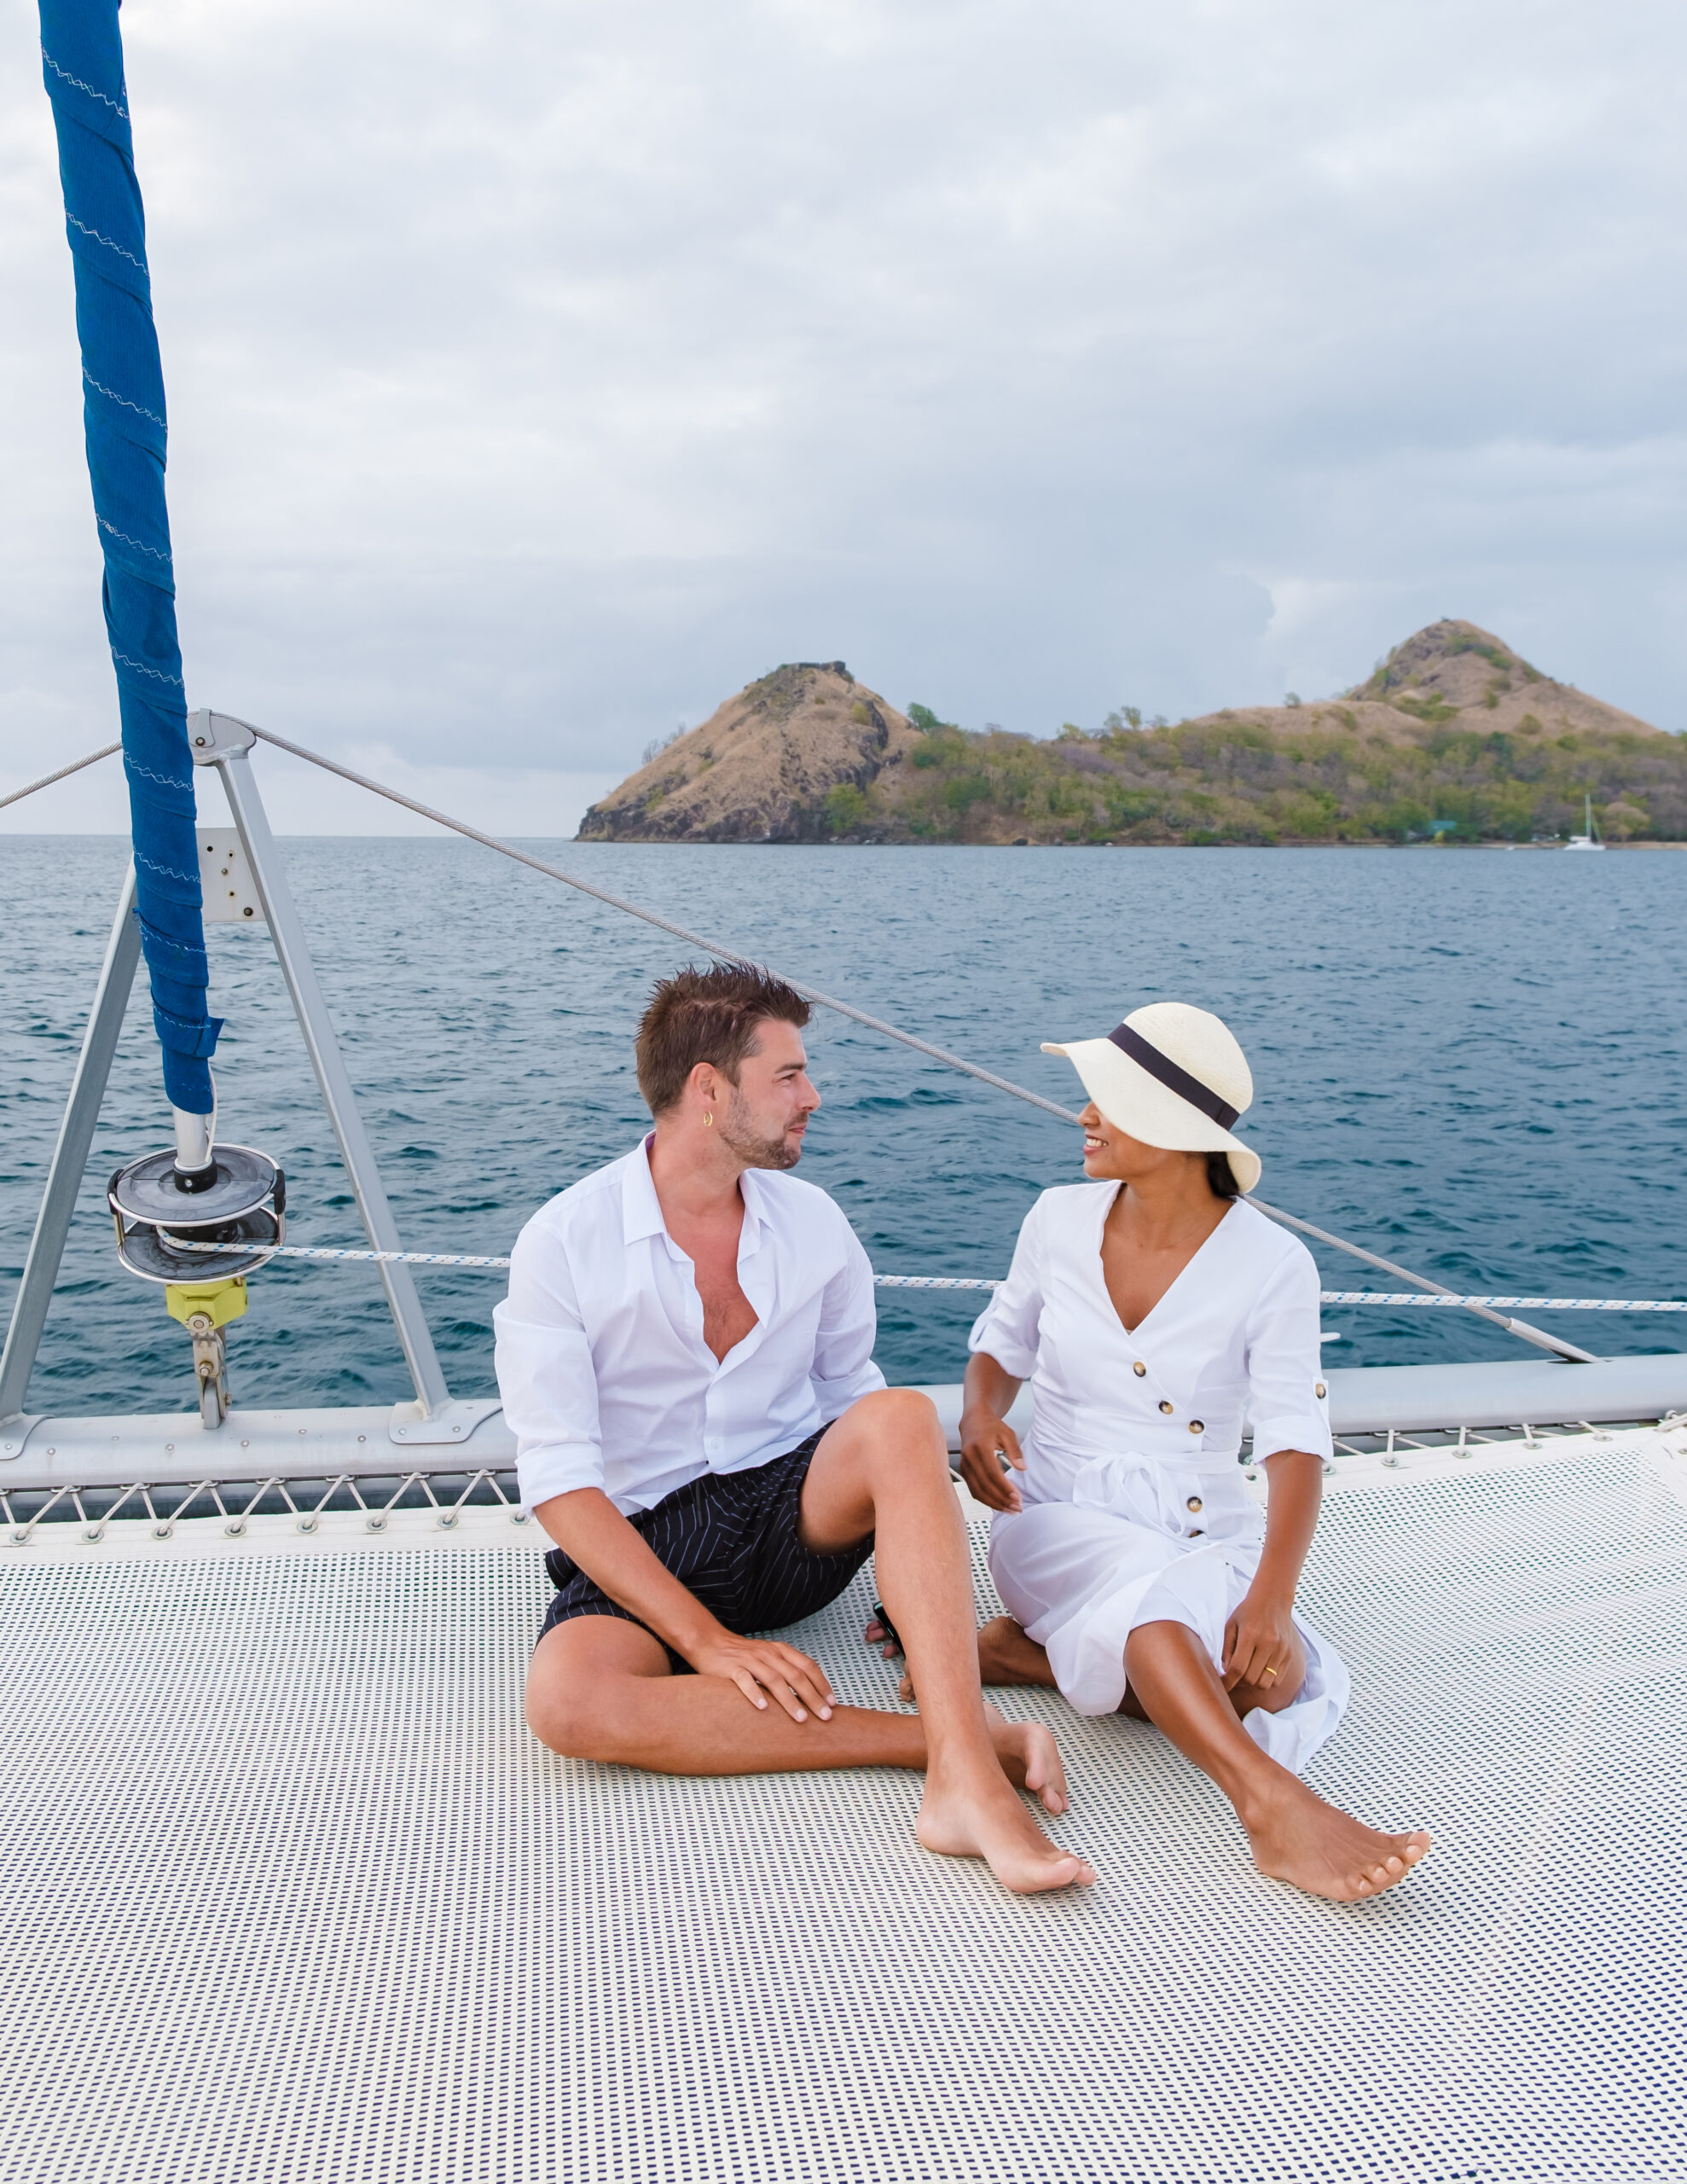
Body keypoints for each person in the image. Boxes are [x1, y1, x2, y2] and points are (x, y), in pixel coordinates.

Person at [495, 963, 1094, 1895]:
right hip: (649, 1539)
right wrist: (706, 1643)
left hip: (786, 1519)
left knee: (895, 1413)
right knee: (566, 1704)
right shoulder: (562, 1242)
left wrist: (912, 1574)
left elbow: (851, 1401)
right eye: (787, 1075)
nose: (811, 1096)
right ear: (707, 1090)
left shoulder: (813, 1223)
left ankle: (965, 1781)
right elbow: (562, 1483)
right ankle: (946, 1744)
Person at [942, 1000, 1430, 1902]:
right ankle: (1269, 1803)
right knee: (1162, 1631)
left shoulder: (1273, 1263)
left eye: (1107, 1099)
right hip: (1055, 1521)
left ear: (1172, 1125)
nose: (1082, 1116)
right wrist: (977, 1418)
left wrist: (1272, 1595)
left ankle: (1031, 1658)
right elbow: (998, 1347)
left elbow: (1292, 1438)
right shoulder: (1055, 1220)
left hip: (1204, 1530)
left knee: (1271, 1683)